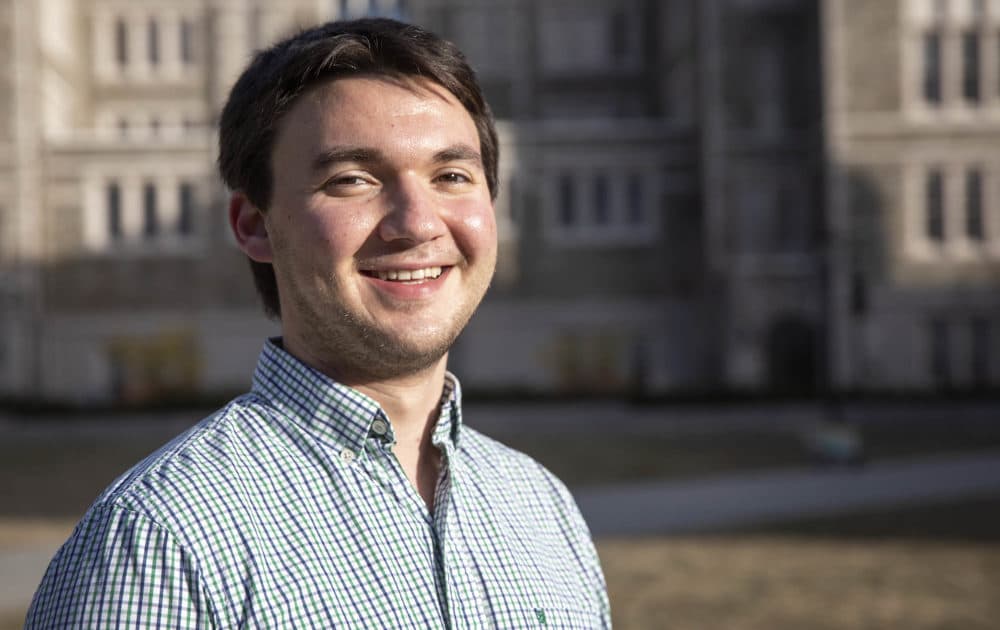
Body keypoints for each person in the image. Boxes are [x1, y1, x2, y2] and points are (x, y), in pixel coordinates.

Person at [25, 17, 611, 629]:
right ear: (254, 225)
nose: (417, 223)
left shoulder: (542, 505)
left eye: (451, 177)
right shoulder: (158, 541)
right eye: (352, 180)